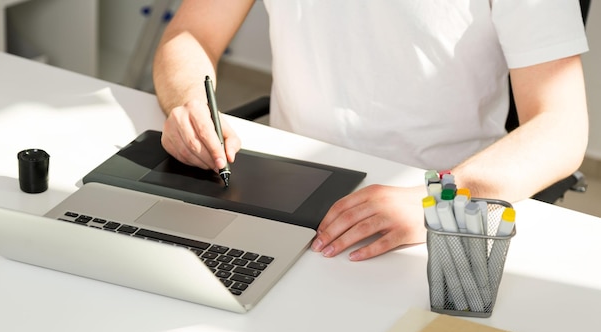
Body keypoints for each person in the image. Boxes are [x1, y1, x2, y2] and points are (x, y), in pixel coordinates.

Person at [152, 0, 589, 261]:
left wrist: (436, 202)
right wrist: (188, 101)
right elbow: (192, 32)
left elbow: (560, 128)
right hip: (287, 194)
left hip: (434, 215)